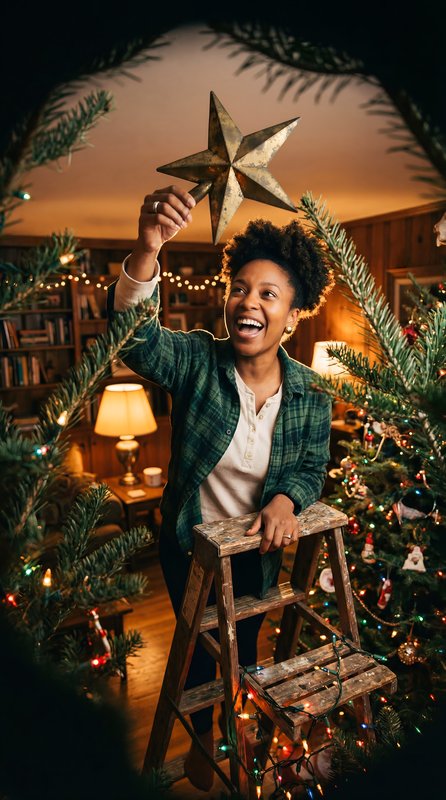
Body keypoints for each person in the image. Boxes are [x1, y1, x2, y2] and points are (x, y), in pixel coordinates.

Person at [107, 185, 334, 792]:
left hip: (257, 551)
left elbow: (312, 465)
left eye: (268, 293)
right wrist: (148, 248)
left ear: (294, 313)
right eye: (239, 288)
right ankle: (205, 733)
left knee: (246, 643)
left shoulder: (312, 392)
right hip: (192, 547)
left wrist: (285, 499)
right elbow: (135, 341)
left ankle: (239, 727)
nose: (247, 302)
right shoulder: (197, 362)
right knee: (200, 648)